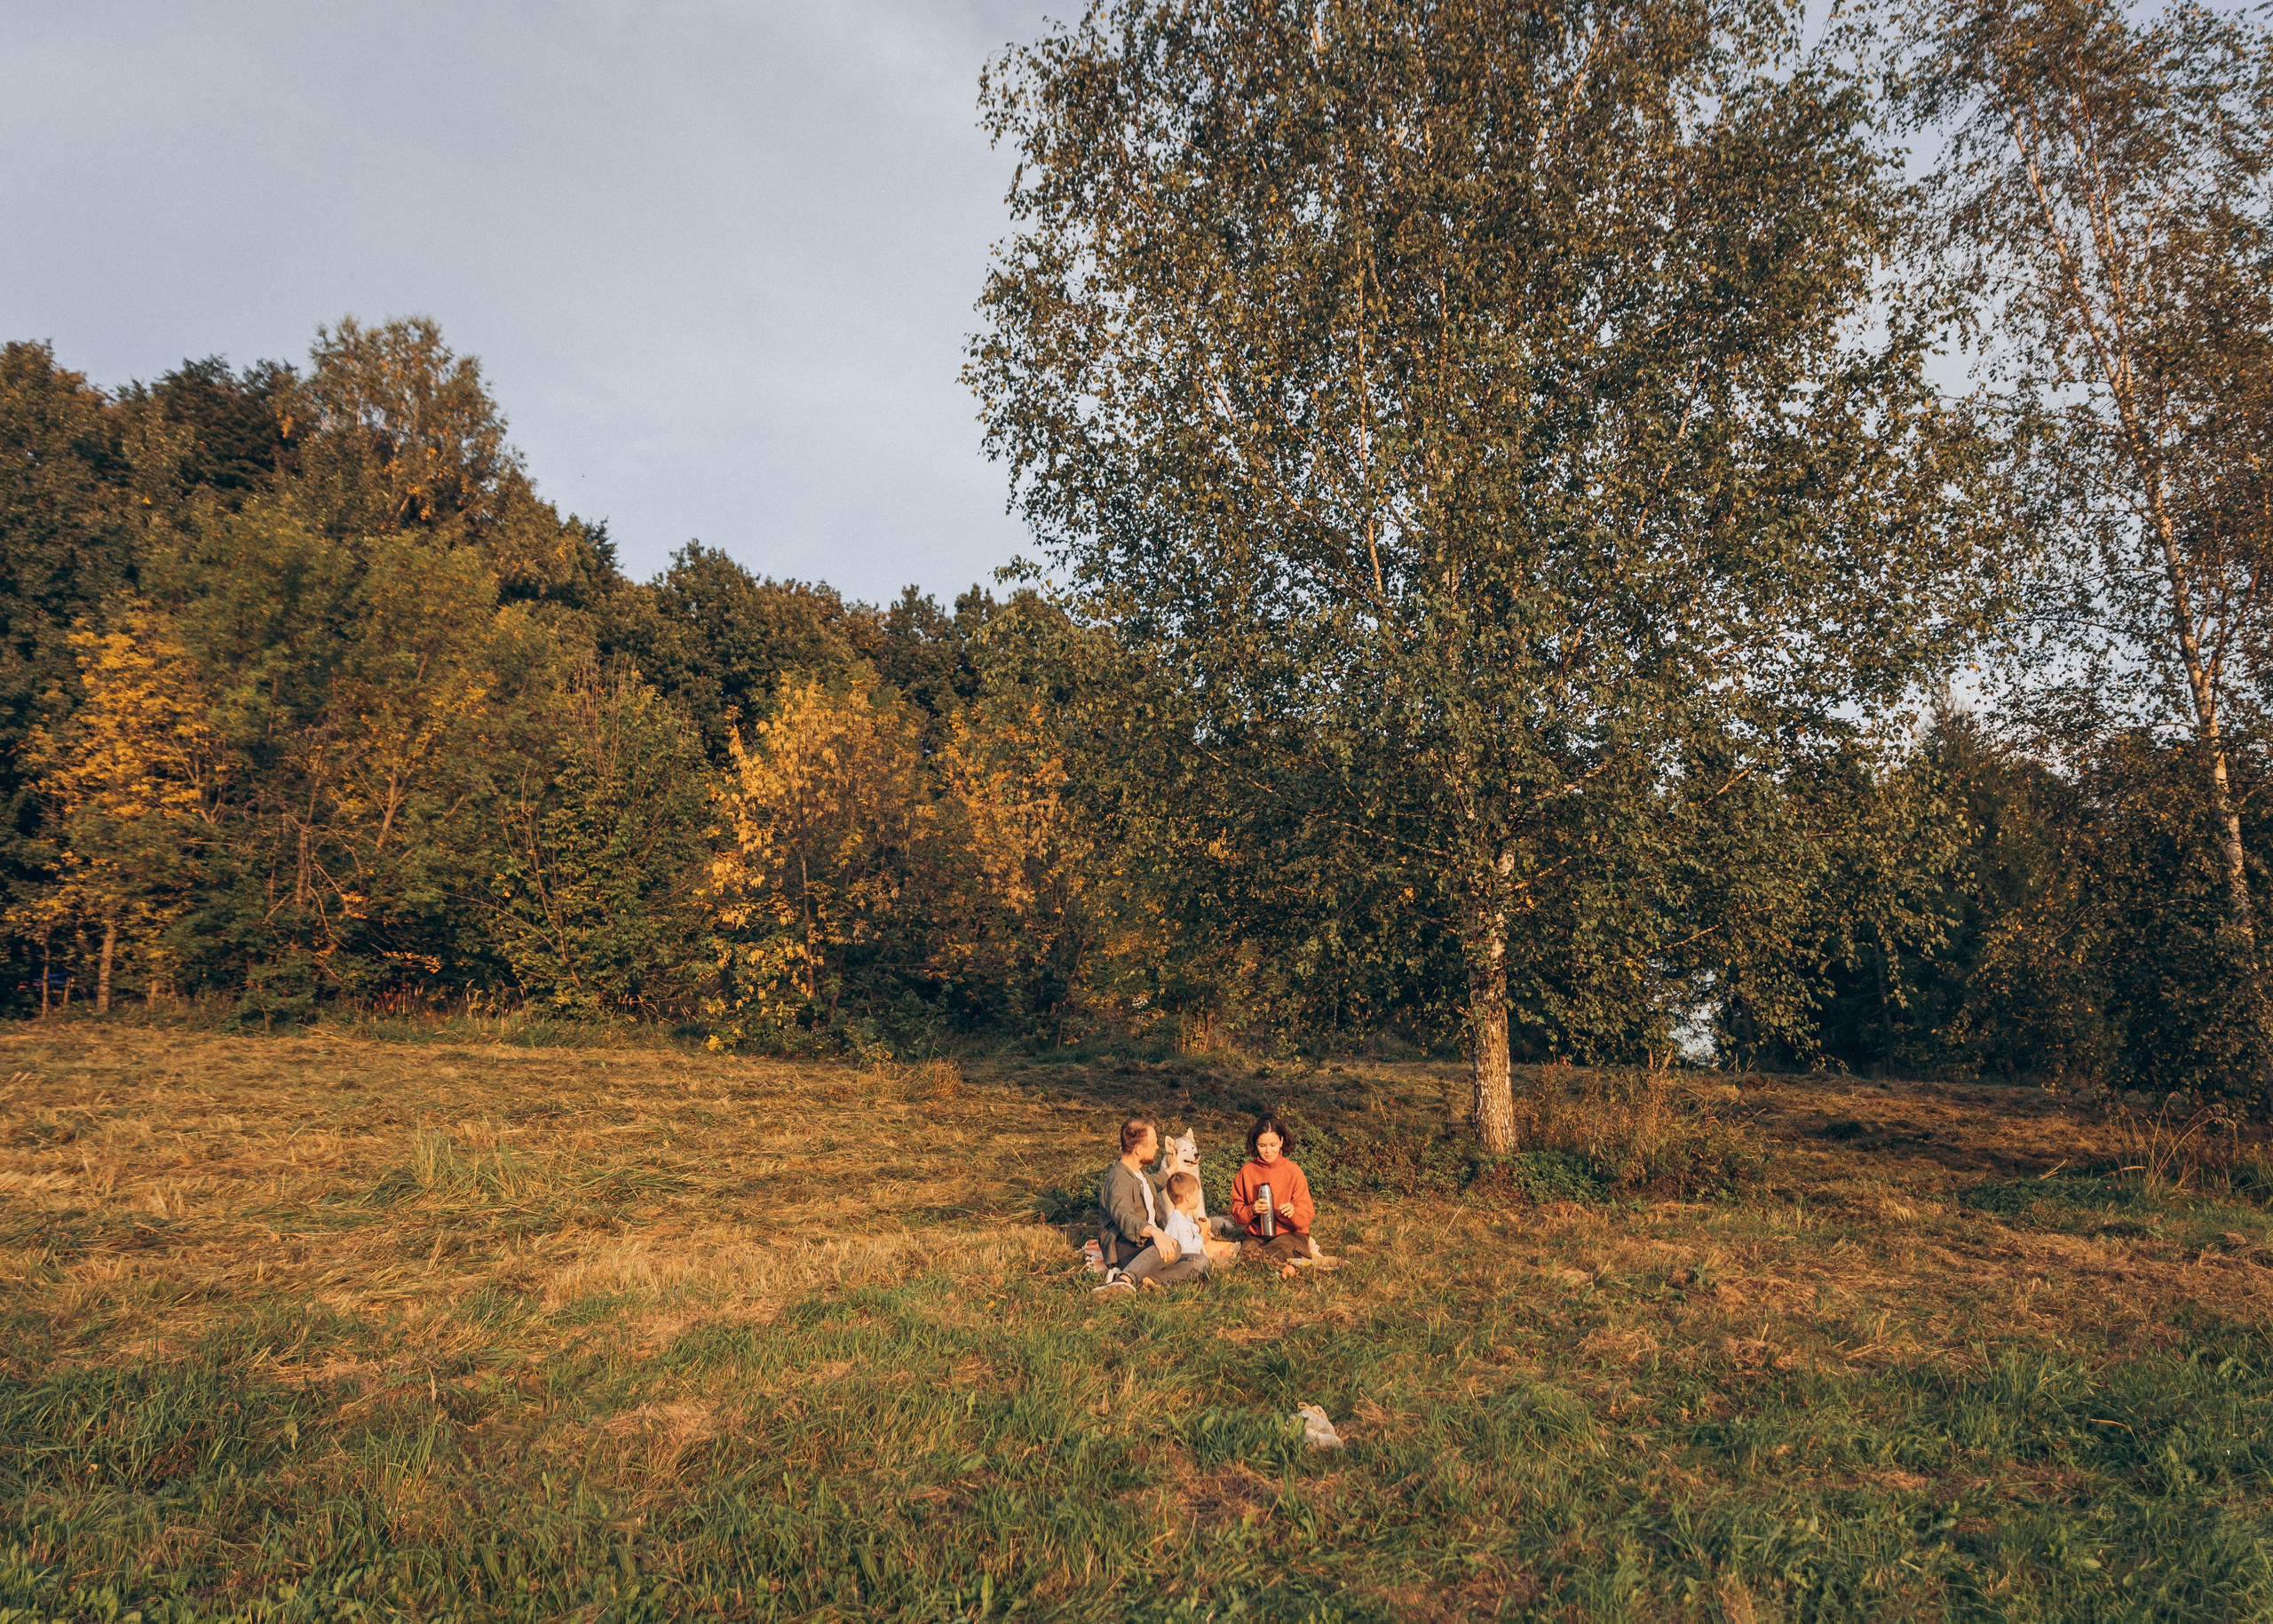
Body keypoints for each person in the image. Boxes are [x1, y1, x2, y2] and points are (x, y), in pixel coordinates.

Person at [1094, 1117, 1205, 1295]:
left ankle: (1145, 1279)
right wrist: (1155, 1232)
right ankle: (1123, 1280)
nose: (1158, 1147)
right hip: (1127, 1244)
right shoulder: (1118, 1179)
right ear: (1138, 1150)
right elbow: (1124, 1218)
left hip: (1147, 1244)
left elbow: (1153, 1183)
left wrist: (1172, 1168)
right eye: (1153, 1144)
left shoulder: (1139, 1173)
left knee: (1199, 1262)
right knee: (1174, 1247)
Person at [1230, 1113, 1314, 1279]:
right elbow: (1237, 1214)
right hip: (1257, 1235)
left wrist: (1293, 1212)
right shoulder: (1246, 1172)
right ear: (1255, 1144)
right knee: (1248, 1253)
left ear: (1282, 1142)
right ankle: (1286, 1265)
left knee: (1278, 1250)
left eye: (1273, 1144)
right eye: (1262, 1145)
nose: (1268, 1151)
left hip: (1290, 1234)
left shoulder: (1293, 1171)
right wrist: (1252, 1209)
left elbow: (1306, 1217)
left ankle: (1284, 1264)